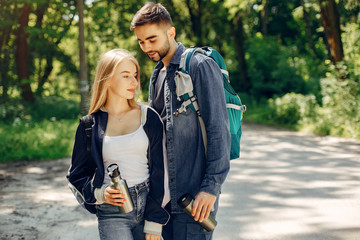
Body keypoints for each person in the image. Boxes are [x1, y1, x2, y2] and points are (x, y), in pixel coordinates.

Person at [130, 3, 230, 240]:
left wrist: (210, 188)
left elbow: (219, 130)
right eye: (141, 42)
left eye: (152, 39)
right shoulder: (156, 75)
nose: (146, 47)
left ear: (171, 32)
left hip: (194, 200)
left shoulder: (199, 65)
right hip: (162, 201)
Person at [67, 49, 170, 240]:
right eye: (125, 76)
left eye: (135, 75)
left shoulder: (149, 116)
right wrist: (100, 194)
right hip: (112, 212)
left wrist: (155, 221)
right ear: (107, 79)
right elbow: (76, 175)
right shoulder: (89, 125)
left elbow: (161, 171)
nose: (134, 82)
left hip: (148, 203)